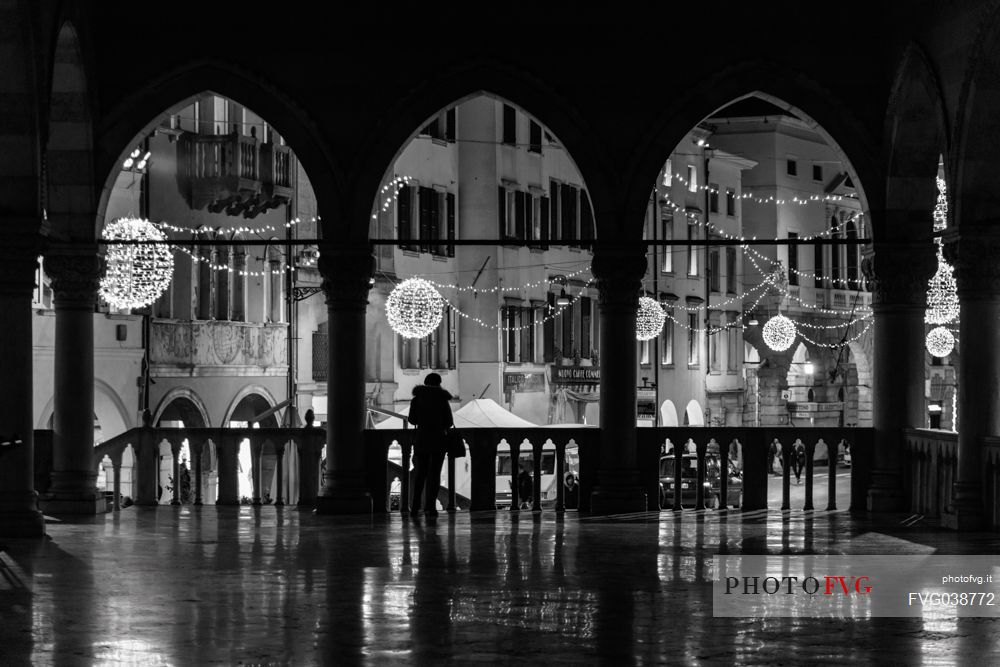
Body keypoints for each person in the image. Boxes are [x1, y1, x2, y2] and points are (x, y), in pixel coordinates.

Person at [407, 372, 454, 518]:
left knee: (421, 474)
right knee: (435, 474)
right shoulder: (442, 399)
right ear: (439, 383)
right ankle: (430, 506)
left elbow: (412, 420)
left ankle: (415, 506)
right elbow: (449, 422)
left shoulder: (417, 399)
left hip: (422, 440)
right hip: (439, 440)